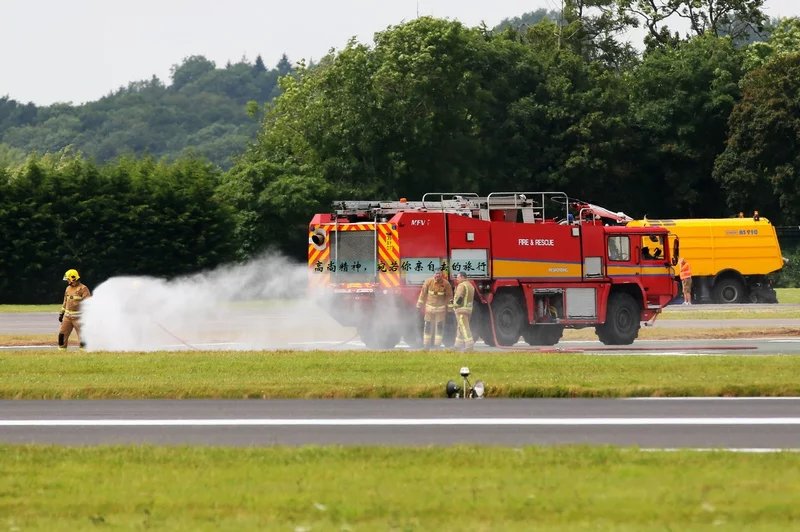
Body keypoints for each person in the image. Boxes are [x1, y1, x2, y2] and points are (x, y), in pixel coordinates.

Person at [416, 269, 453, 349]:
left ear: (442, 275)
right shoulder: (428, 282)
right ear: (434, 274)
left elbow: (449, 297)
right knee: (428, 326)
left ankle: (437, 345)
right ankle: (426, 345)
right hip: (429, 309)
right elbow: (422, 294)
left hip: (440, 310)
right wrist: (418, 306)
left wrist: (450, 310)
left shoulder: (446, 284)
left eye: (439, 274)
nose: (437, 275)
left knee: (439, 327)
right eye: (436, 274)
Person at [58, 268, 91, 350]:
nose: (67, 281)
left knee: (83, 335)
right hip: (67, 317)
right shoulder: (68, 289)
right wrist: (62, 313)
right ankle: (61, 351)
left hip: (79, 318)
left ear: (73, 278)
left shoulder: (83, 289)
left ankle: (83, 351)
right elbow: (65, 302)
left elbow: (88, 304)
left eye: (68, 279)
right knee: (62, 334)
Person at [450, 272, 475, 352]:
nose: (457, 279)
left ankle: (469, 346)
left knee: (464, 328)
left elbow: (460, 297)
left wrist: (454, 304)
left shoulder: (462, 285)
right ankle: (457, 346)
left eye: (458, 277)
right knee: (460, 328)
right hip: (468, 309)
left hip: (461, 310)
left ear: (462, 277)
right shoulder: (470, 285)